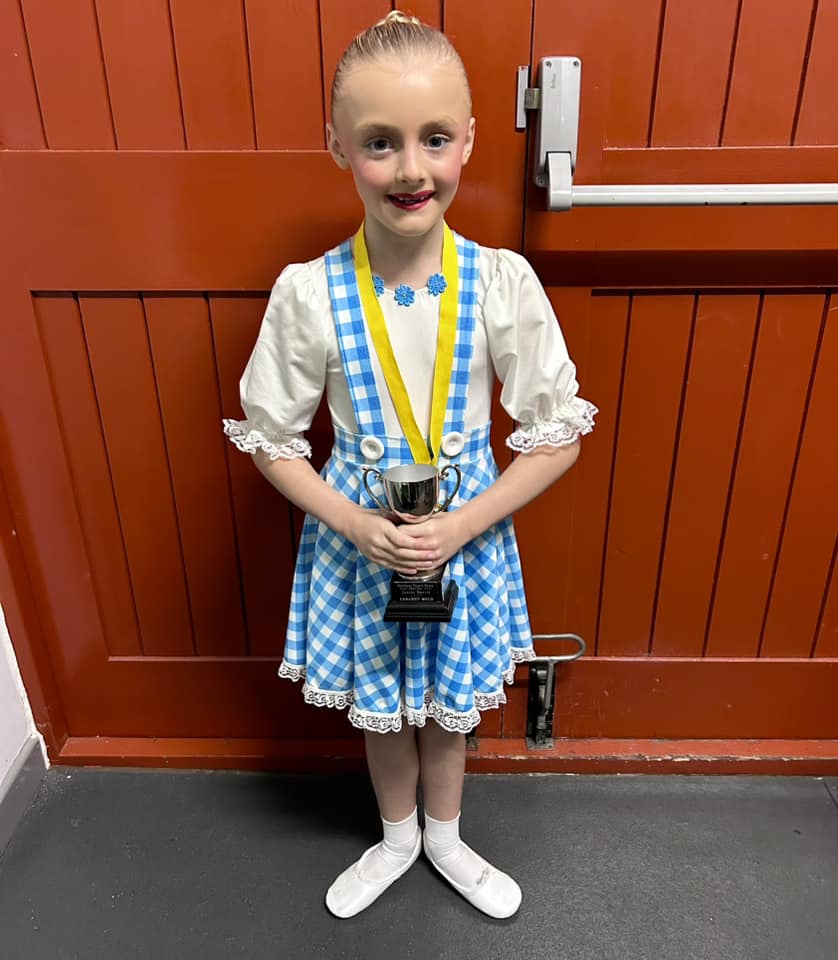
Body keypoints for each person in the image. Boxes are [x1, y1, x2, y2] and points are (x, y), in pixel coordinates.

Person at [223, 11, 596, 920]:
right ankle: (396, 835)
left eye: (434, 139)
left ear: (469, 139)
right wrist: (355, 523)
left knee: (447, 704)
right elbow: (271, 439)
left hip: (465, 536)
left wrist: (462, 524)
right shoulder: (309, 293)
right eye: (379, 143)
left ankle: (446, 836)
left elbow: (559, 433)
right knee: (383, 703)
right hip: (363, 544)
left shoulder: (501, 283)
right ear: (338, 147)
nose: (409, 170)